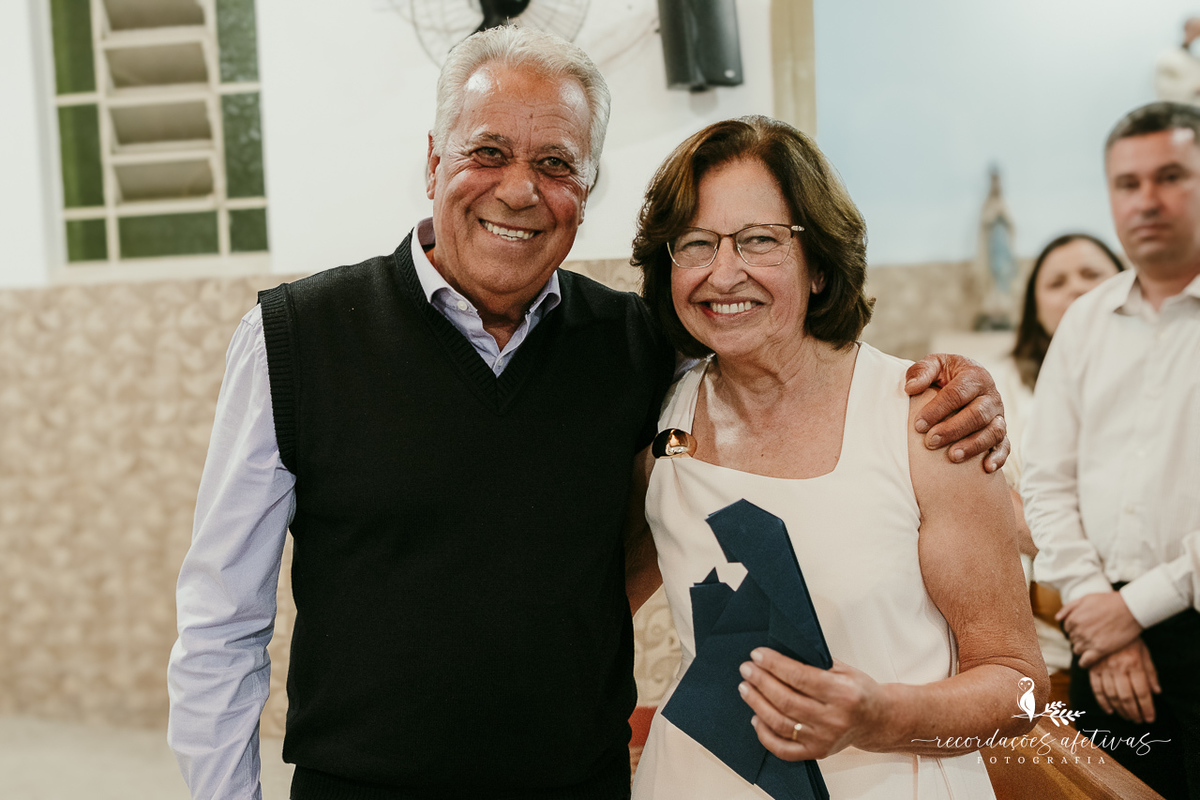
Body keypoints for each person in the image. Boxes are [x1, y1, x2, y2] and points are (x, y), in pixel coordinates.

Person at [167, 27, 1010, 800]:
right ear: (432, 161)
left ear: (587, 186)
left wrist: (951, 384)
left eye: (556, 164)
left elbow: (781, 364)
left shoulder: (640, 350)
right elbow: (221, 623)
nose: (519, 190)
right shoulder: (295, 339)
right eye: (486, 151)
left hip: (582, 784)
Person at [625, 116, 1046, 799]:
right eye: (696, 243)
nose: (723, 273)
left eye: (759, 240)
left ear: (819, 264)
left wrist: (881, 715)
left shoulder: (928, 421)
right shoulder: (654, 413)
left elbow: (1023, 691)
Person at [1022, 101, 1200, 800]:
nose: (1146, 200)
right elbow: (1046, 480)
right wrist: (1097, 601)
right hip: (1098, 622)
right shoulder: (1087, 321)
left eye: (1171, 176)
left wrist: (1133, 609)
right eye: (1128, 184)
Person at [993, 234, 1125, 694]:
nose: (1076, 289)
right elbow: (989, 496)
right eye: (1056, 282)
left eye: (1091, 274)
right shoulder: (998, 385)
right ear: (1035, 308)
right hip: (1046, 638)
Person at [1156, 17, 1200, 105]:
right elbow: (1165, 92)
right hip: (1181, 110)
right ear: (1186, 29)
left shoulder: (1196, 59)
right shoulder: (1169, 59)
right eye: (1196, 30)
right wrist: (1195, 90)